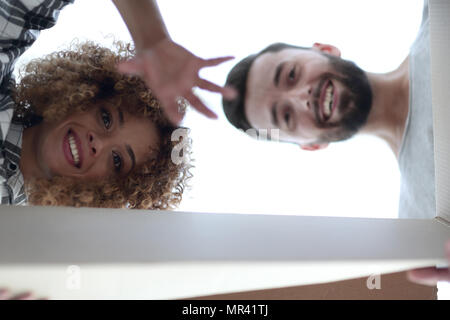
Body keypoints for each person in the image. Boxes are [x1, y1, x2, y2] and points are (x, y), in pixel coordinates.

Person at [221, 0, 449, 286]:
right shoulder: (420, 226)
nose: (302, 96)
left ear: (324, 49)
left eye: (292, 74)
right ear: (311, 145)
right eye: (287, 116)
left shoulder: (440, 14)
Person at [0, 0, 233, 208]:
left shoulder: (23, 245)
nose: (98, 143)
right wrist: (152, 39)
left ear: (106, 192)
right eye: (106, 118)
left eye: (117, 160)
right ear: (82, 93)